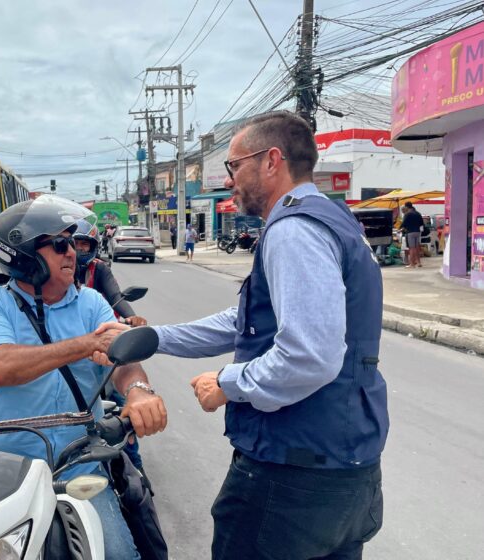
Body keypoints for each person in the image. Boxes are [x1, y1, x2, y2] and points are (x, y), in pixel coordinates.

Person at [96, 111, 387, 559]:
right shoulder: (334, 220)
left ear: (272, 161)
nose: (229, 179)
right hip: (346, 466)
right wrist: (156, 336)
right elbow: (246, 321)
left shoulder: (294, 230)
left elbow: (311, 355)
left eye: (235, 165)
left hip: (292, 475)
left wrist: (228, 385)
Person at [0, 195, 167, 560]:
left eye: (73, 243)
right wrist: (86, 344)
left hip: (80, 468)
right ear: (24, 254)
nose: (71, 253)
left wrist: (138, 392)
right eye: (59, 244)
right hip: (2, 469)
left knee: (118, 555)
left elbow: (122, 360)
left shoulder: (91, 302)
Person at [73, 219, 148, 470]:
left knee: (123, 402)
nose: (79, 251)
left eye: (86, 245)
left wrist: (131, 318)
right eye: (75, 245)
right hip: (77, 345)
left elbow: (116, 298)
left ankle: (135, 467)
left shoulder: (99, 270)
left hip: (105, 338)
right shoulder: (58, 275)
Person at [401, 201, 424, 268]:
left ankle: (412, 264)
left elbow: (404, 224)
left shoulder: (407, 214)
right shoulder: (418, 213)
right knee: (417, 247)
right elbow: (421, 223)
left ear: (406, 206)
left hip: (410, 232)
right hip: (417, 232)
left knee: (411, 248)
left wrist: (401, 229)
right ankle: (419, 263)